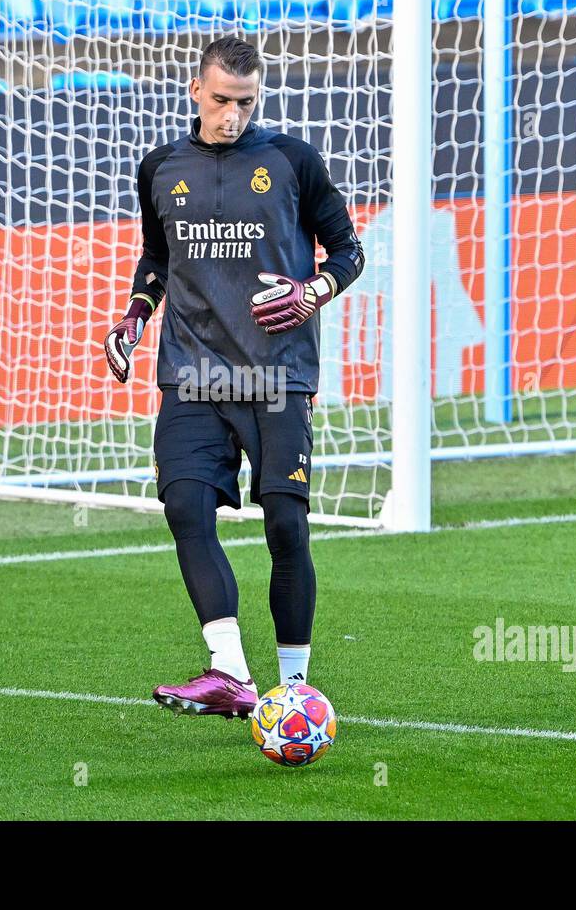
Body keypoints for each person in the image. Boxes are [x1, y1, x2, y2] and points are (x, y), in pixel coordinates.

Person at [103, 36, 365, 718]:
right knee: (186, 508)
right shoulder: (161, 167)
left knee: (286, 523)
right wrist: (136, 315)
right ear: (196, 90)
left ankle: (296, 687)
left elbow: (347, 251)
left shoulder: (291, 161)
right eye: (221, 100)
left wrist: (314, 292)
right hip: (192, 374)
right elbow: (158, 259)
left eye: (245, 103)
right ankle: (231, 674)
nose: (232, 116)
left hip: (278, 373)